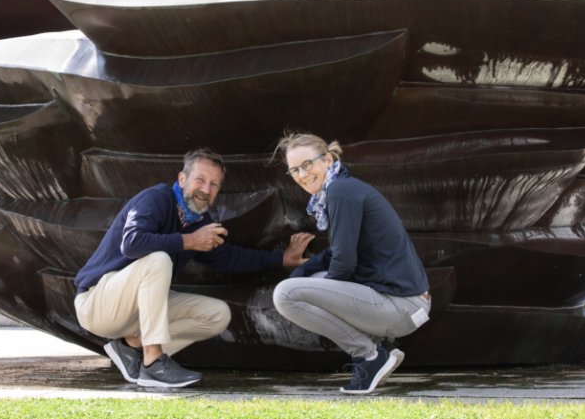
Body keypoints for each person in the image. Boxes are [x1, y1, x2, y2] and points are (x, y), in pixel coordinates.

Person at [74, 148, 313, 388]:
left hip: (135, 314)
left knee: (217, 314)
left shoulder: (199, 222)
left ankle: (130, 346)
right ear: (182, 179)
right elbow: (133, 243)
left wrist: (281, 259)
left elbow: (229, 257)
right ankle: (153, 363)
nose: (206, 190)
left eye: (214, 184)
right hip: (97, 303)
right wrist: (190, 241)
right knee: (158, 260)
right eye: (200, 179)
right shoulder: (156, 198)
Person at [272, 133, 430, 394]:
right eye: (295, 170)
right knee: (304, 284)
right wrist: (302, 277)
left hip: (401, 306)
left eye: (307, 164)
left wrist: (307, 291)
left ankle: (370, 355)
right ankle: (382, 347)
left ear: (328, 159)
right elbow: (335, 255)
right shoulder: (340, 188)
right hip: (404, 304)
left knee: (285, 296)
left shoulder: (340, 191)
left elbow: (343, 263)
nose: (302, 174)